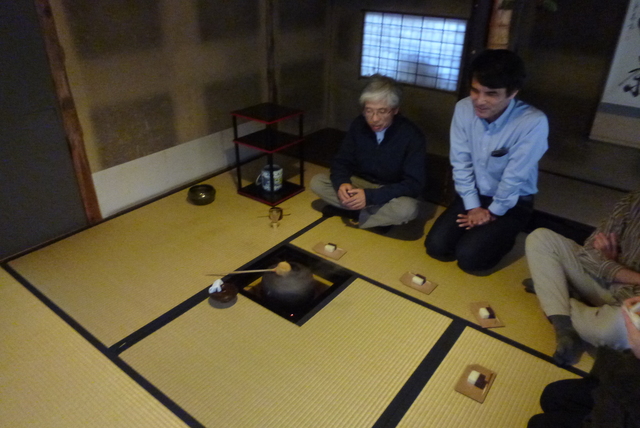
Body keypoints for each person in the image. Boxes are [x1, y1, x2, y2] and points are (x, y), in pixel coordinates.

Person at [424, 49, 548, 273]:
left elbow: (514, 177)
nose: (479, 100)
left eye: (491, 94)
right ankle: (482, 233)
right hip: (475, 193)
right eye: (475, 90)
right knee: (436, 247)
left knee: (470, 259)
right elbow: (460, 162)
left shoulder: (533, 122)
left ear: (512, 93)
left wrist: (493, 212)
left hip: (512, 200)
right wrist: (473, 207)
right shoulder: (464, 109)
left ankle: (503, 236)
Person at [525, 190, 640, 366]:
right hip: (604, 278)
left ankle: (553, 294)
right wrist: (613, 265)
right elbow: (590, 251)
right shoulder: (634, 199)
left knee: (614, 332)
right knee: (540, 238)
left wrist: (609, 264)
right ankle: (564, 328)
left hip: (631, 303)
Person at [309, 74, 426, 229]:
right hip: (360, 184)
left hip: (389, 190)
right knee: (317, 182)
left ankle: (354, 212)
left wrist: (370, 197)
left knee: (407, 209)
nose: (374, 119)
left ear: (395, 110)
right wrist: (342, 183)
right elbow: (341, 161)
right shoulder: (359, 125)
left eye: (382, 111)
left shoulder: (411, 135)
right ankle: (371, 215)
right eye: (369, 111)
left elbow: (414, 184)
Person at [527, 297, 640, 428]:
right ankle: (564, 317)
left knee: (538, 424)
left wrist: (636, 353)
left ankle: (564, 307)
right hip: (623, 388)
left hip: (625, 408)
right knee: (553, 394)